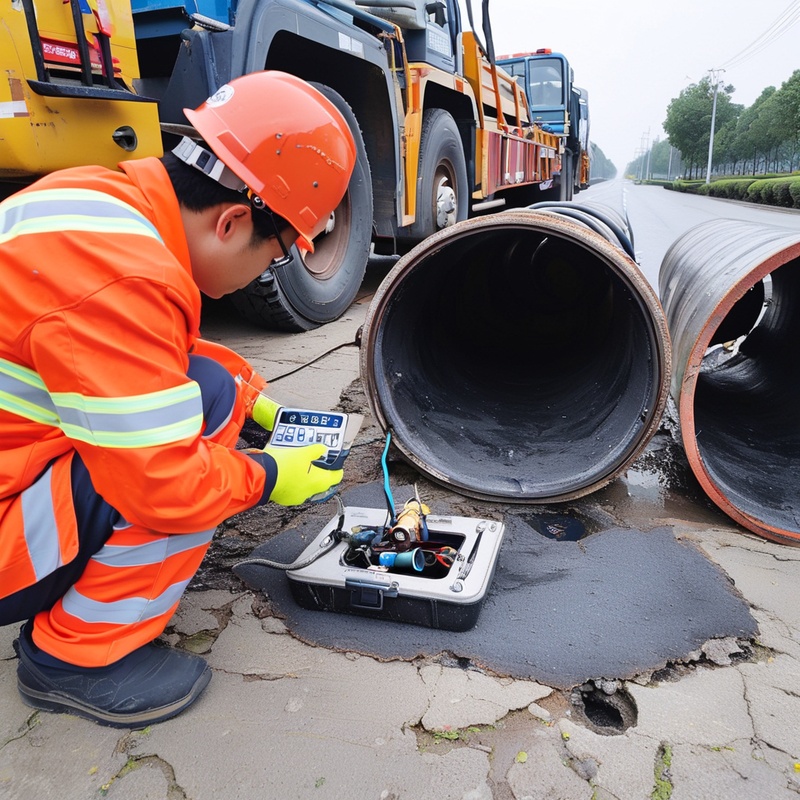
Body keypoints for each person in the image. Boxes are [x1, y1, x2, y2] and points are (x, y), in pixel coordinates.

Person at [0, 71, 356, 727]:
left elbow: (141, 350)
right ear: (233, 221)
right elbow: (163, 482)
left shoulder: (98, 201)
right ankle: (76, 659)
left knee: (212, 395)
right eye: (278, 256)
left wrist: (250, 399)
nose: (269, 270)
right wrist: (267, 475)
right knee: (179, 464)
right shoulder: (123, 274)